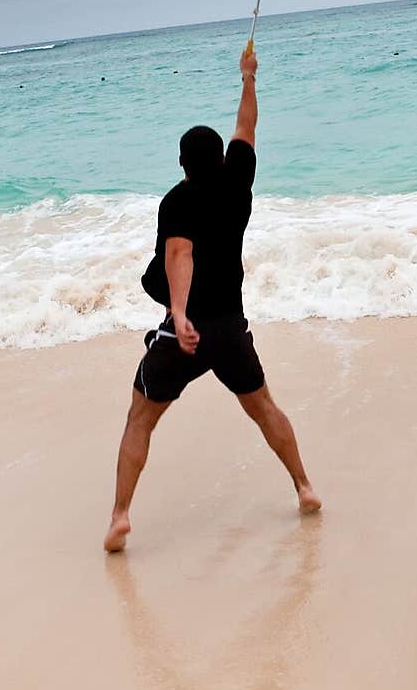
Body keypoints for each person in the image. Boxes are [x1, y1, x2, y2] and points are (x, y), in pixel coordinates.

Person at [104, 46, 321, 553]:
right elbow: (247, 127)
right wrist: (248, 78)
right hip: (230, 330)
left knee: (140, 418)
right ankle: (305, 486)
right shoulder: (238, 180)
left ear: (182, 163)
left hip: (186, 334)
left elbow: (180, 253)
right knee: (264, 407)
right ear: (221, 157)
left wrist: (178, 316)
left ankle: (119, 516)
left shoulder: (177, 201)